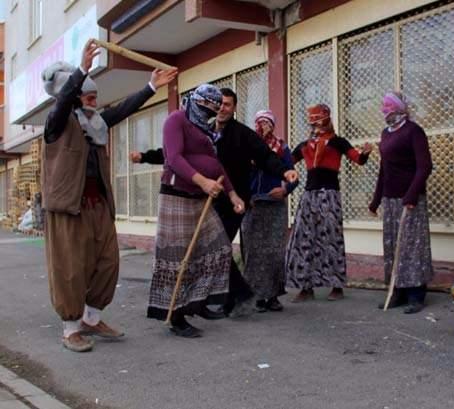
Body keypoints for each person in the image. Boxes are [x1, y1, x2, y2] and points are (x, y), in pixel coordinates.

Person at [41, 40, 177, 352]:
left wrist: (150, 87)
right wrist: (83, 69)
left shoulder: (95, 122)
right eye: (88, 94)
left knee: (107, 263)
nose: (95, 100)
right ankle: (71, 329)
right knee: (70, 268)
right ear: (75, 96)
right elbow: (61, 103)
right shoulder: (57, 123)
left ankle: (92, 318)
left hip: (98, 204)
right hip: (67, 208)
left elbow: (121, 110)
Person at [130, 88, 298, 316]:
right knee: (212, 250)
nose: (221, 108)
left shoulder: (243, 134)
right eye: (218, 105)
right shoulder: (201, 128)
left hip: (232, 202)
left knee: (217, 249)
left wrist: (285, 171)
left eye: (227, 104)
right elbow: (173, 152)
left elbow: (264, 155)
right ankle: (219, 299)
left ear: (234, 108)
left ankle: (235, 296)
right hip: (203, 199)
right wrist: (145, 157)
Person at [147, 84, 245, 337]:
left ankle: (198, 302)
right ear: (195, 102)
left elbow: (216, 164)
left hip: (201, 197)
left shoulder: (205, 128)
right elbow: (174, 158)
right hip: (177, 195)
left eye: (212, 111)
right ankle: (176, 315)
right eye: (204, 108)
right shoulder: (176, 120)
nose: (208, 114)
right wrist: (202, 181)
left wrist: (233, 194)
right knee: (179, 257)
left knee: (218, 248)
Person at [285, 104, 372, 302]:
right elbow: (286, 163)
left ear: (327, 118)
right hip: (308, 195)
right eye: (313, 119)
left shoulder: (338, 142)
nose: (316, 122)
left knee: (331, 239)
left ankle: (337, 286)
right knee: (304, 240)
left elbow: (358, 159)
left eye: (319, 118)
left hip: (330, 194)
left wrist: (365, 153)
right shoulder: (305, 145)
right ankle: (305, 288)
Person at [369, 92, 434, 314]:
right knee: (392, 245)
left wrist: (412, 194)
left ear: (399, 108)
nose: (385, 111)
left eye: (389, 107)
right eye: (383, 107)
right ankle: (397, 290)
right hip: (390, 197)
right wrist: (376, 200)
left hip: (410, 199)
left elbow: (424, 166)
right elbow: (384, 168)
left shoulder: (414, 131)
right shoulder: (385, 134)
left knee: (411, 245)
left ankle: (416, 294)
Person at [240, 110, 298, 313]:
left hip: (275, 206)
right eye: (259, 123)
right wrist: (245, 197)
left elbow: (293, 175)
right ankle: (256, 296)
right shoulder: (247, 148)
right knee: (254, 253)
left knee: (274, 252)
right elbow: (241, 174)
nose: (263, 127)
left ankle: (272, 297)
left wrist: (285, 190)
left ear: (273, 125)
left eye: (267, 123)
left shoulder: (282, 148)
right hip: (254, 205)